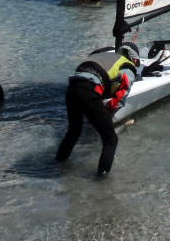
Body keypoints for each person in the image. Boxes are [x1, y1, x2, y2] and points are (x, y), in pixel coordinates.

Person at [55, 44, 140, 176]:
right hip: (89, 92)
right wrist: (106, 114)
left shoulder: (107, 56)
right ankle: (101, 181)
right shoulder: (128, 66)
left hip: (71, 90)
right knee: (111, 139)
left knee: (74, 131)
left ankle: (56, 165)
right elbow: (121, 95)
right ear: (134, 60)